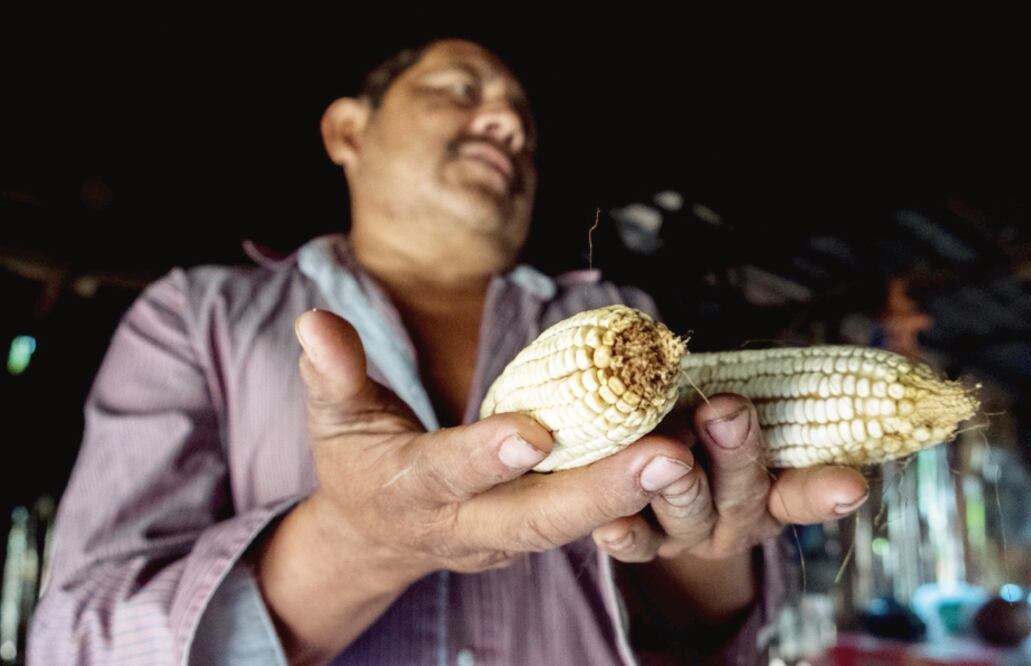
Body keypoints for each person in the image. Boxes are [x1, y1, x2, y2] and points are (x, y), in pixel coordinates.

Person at [27, 39, 869, 665]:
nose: (505, 120)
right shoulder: (195, 316)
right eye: (459, 91)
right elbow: (75, 639)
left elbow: (711, 633)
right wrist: (358, 545)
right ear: (347, 130)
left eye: (523, 121)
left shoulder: (624, 318)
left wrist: (707, 560)